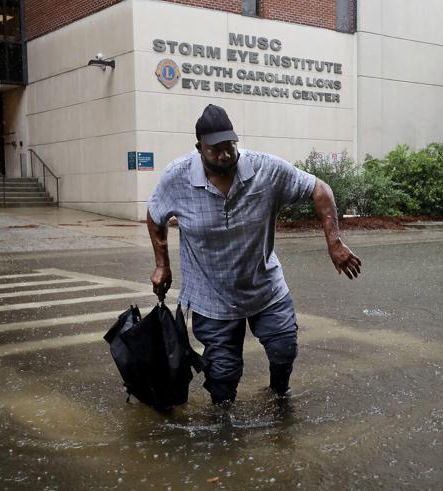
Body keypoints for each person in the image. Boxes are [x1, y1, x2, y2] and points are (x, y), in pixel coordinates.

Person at [146, 104, 362, 406]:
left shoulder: (266, 169)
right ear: (199, 148)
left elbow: (319, 189)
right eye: (215, 149)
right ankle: (224, 421)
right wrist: (161, 265)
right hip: (211, 296)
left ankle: (278, 395)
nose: (225, 155)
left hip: (264, 287)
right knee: (223, 377)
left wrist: (334, 243)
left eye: (230, 146)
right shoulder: (176, 177)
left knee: (284, 349)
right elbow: (155, 215)